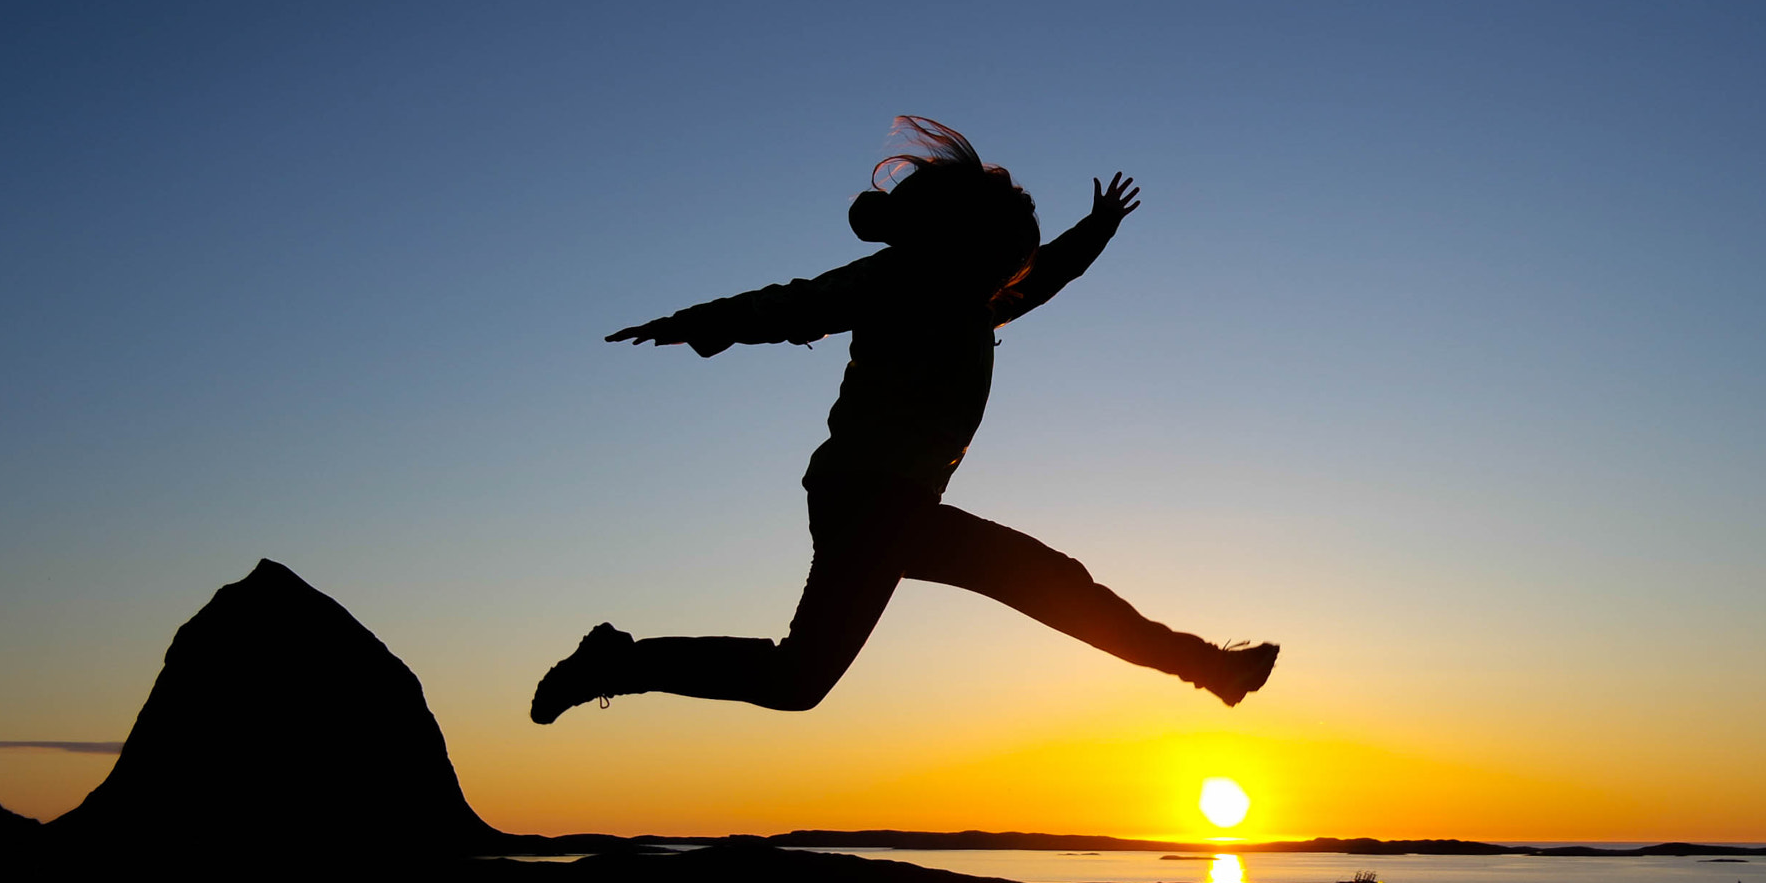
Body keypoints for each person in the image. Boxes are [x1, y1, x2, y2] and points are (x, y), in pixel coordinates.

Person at [532, 117, 1276, 723]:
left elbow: (1045, 275)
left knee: (801, 677)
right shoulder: (902, 279)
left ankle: (1212, 667)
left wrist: (1098, 228)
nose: (1013, 271)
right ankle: (1211, 667)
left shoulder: (976, 303)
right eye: (1006, 254)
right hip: (868, 499)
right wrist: (693, 321)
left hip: (894, 505)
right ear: (971, 244)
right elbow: (794, 303)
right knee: (1040, 583)